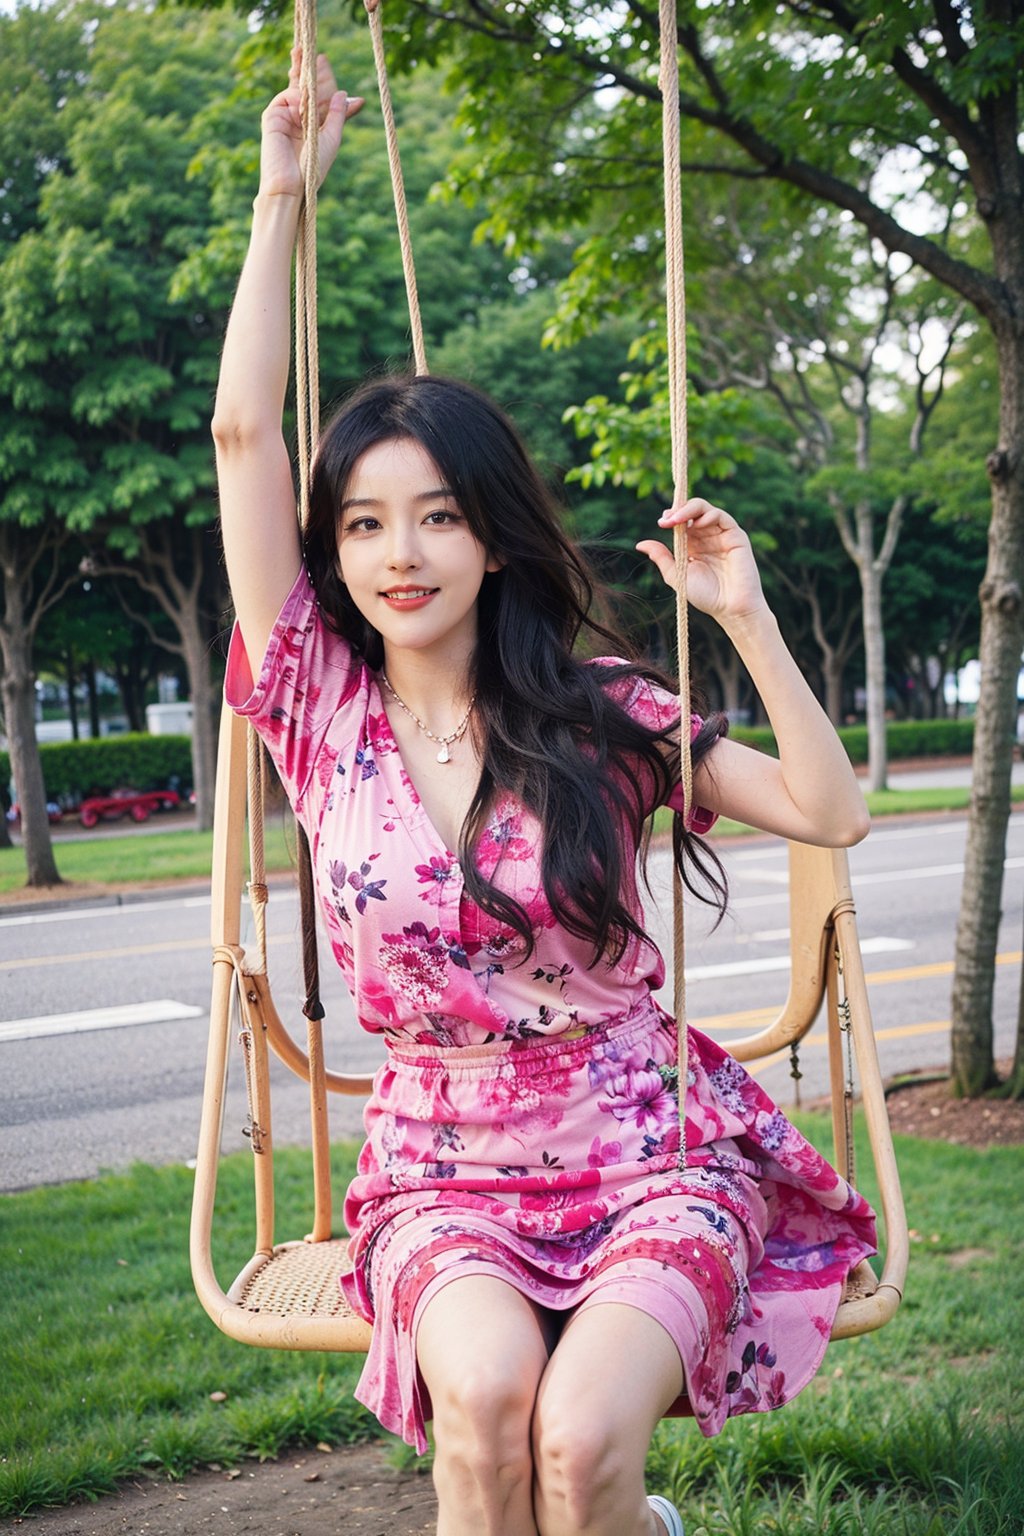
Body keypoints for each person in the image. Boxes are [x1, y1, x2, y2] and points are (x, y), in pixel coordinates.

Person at [213, 50, 876, 1536]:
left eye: (440, 517)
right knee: (486, 1425)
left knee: (578, 1450)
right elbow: (245, 439)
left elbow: (831, 814)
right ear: (336, 550)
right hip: (440, 1162)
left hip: (652, 1144)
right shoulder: (320, 708)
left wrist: (746, 617)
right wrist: (280, 201)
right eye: (369, 523)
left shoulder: (603, 717)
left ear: (493, 540)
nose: (403, 553)